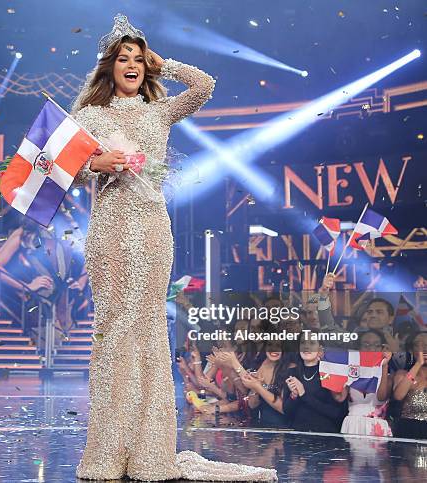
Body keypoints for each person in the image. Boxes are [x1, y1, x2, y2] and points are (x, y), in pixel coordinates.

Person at [72, 14, 275, 481]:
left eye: (139, 60)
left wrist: (167, 65)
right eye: (123, 58)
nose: (132, 65)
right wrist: (96, 163)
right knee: (113, 331)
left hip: (151, 229)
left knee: (146, 332)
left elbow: (204, 87)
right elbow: (60, 169)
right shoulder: (88, 118)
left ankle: (148, 452)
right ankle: (107, 450)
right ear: (108, 67)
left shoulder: (157, 111)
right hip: (108, 230)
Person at [283, 332, 348, 433]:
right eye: (303, 343)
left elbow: (337, 413)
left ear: (320, 349)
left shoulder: (330, 373)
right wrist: (294, 396)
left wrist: (304, 395)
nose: (306, 347)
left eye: (312, 343)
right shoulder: (292, 373)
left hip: (324, 437)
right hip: (297, 437)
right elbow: (286, 412)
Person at [335, 329, 393, 437]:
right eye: (366, 345)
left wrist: (384, 365)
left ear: (383, 348)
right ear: (358, 348)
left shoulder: (387, 376)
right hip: (352, 425)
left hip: (377, 427)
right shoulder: (350, 372)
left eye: (376, 345)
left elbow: (381, 397)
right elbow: (339, 397)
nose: (371, 349)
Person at [392, 331, 427, 438]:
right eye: (419, 344)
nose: (425, 348)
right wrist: (418, 364)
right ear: (411, 350)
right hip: (409, 428)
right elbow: (398, 396)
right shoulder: (403, 374)